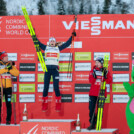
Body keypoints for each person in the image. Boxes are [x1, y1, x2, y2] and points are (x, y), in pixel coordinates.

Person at [37, 31, 76, 112]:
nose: (52, 42)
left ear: (55, 42)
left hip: (55, 70)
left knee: (56, 87)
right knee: (45, 88)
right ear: (49, 42)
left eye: (53, 41)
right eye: (51, 41)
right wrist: (32, 34)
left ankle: (58, 104)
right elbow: (37, 43)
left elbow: (67, 44)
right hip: (47, 70)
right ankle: (44, 105)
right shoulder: (45, 48)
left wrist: (72, 37)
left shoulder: (58, 48)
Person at [87, 57, 112, 130]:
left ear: (101, 63)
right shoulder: (93, 70)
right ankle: (92, 124)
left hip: (101, 92)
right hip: (93, 93)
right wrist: (95, 77)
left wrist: (106, 75)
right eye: (96, 62)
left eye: (98, 62)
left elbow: (109, 81)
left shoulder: (105, 71)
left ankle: (98, 123)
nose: (96, 63)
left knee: (100, 110)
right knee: (91, 109)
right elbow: (90, 80)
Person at [0, 51, 19, 125]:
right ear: (2, 58)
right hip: (0, 88)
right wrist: (7, 69)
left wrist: (10, 68)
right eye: (6, 57)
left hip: (8, 88)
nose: (7, 58)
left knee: (8, 103)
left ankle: (8, 120)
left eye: (7, 56)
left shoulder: (10, 64)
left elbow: (16, 73)